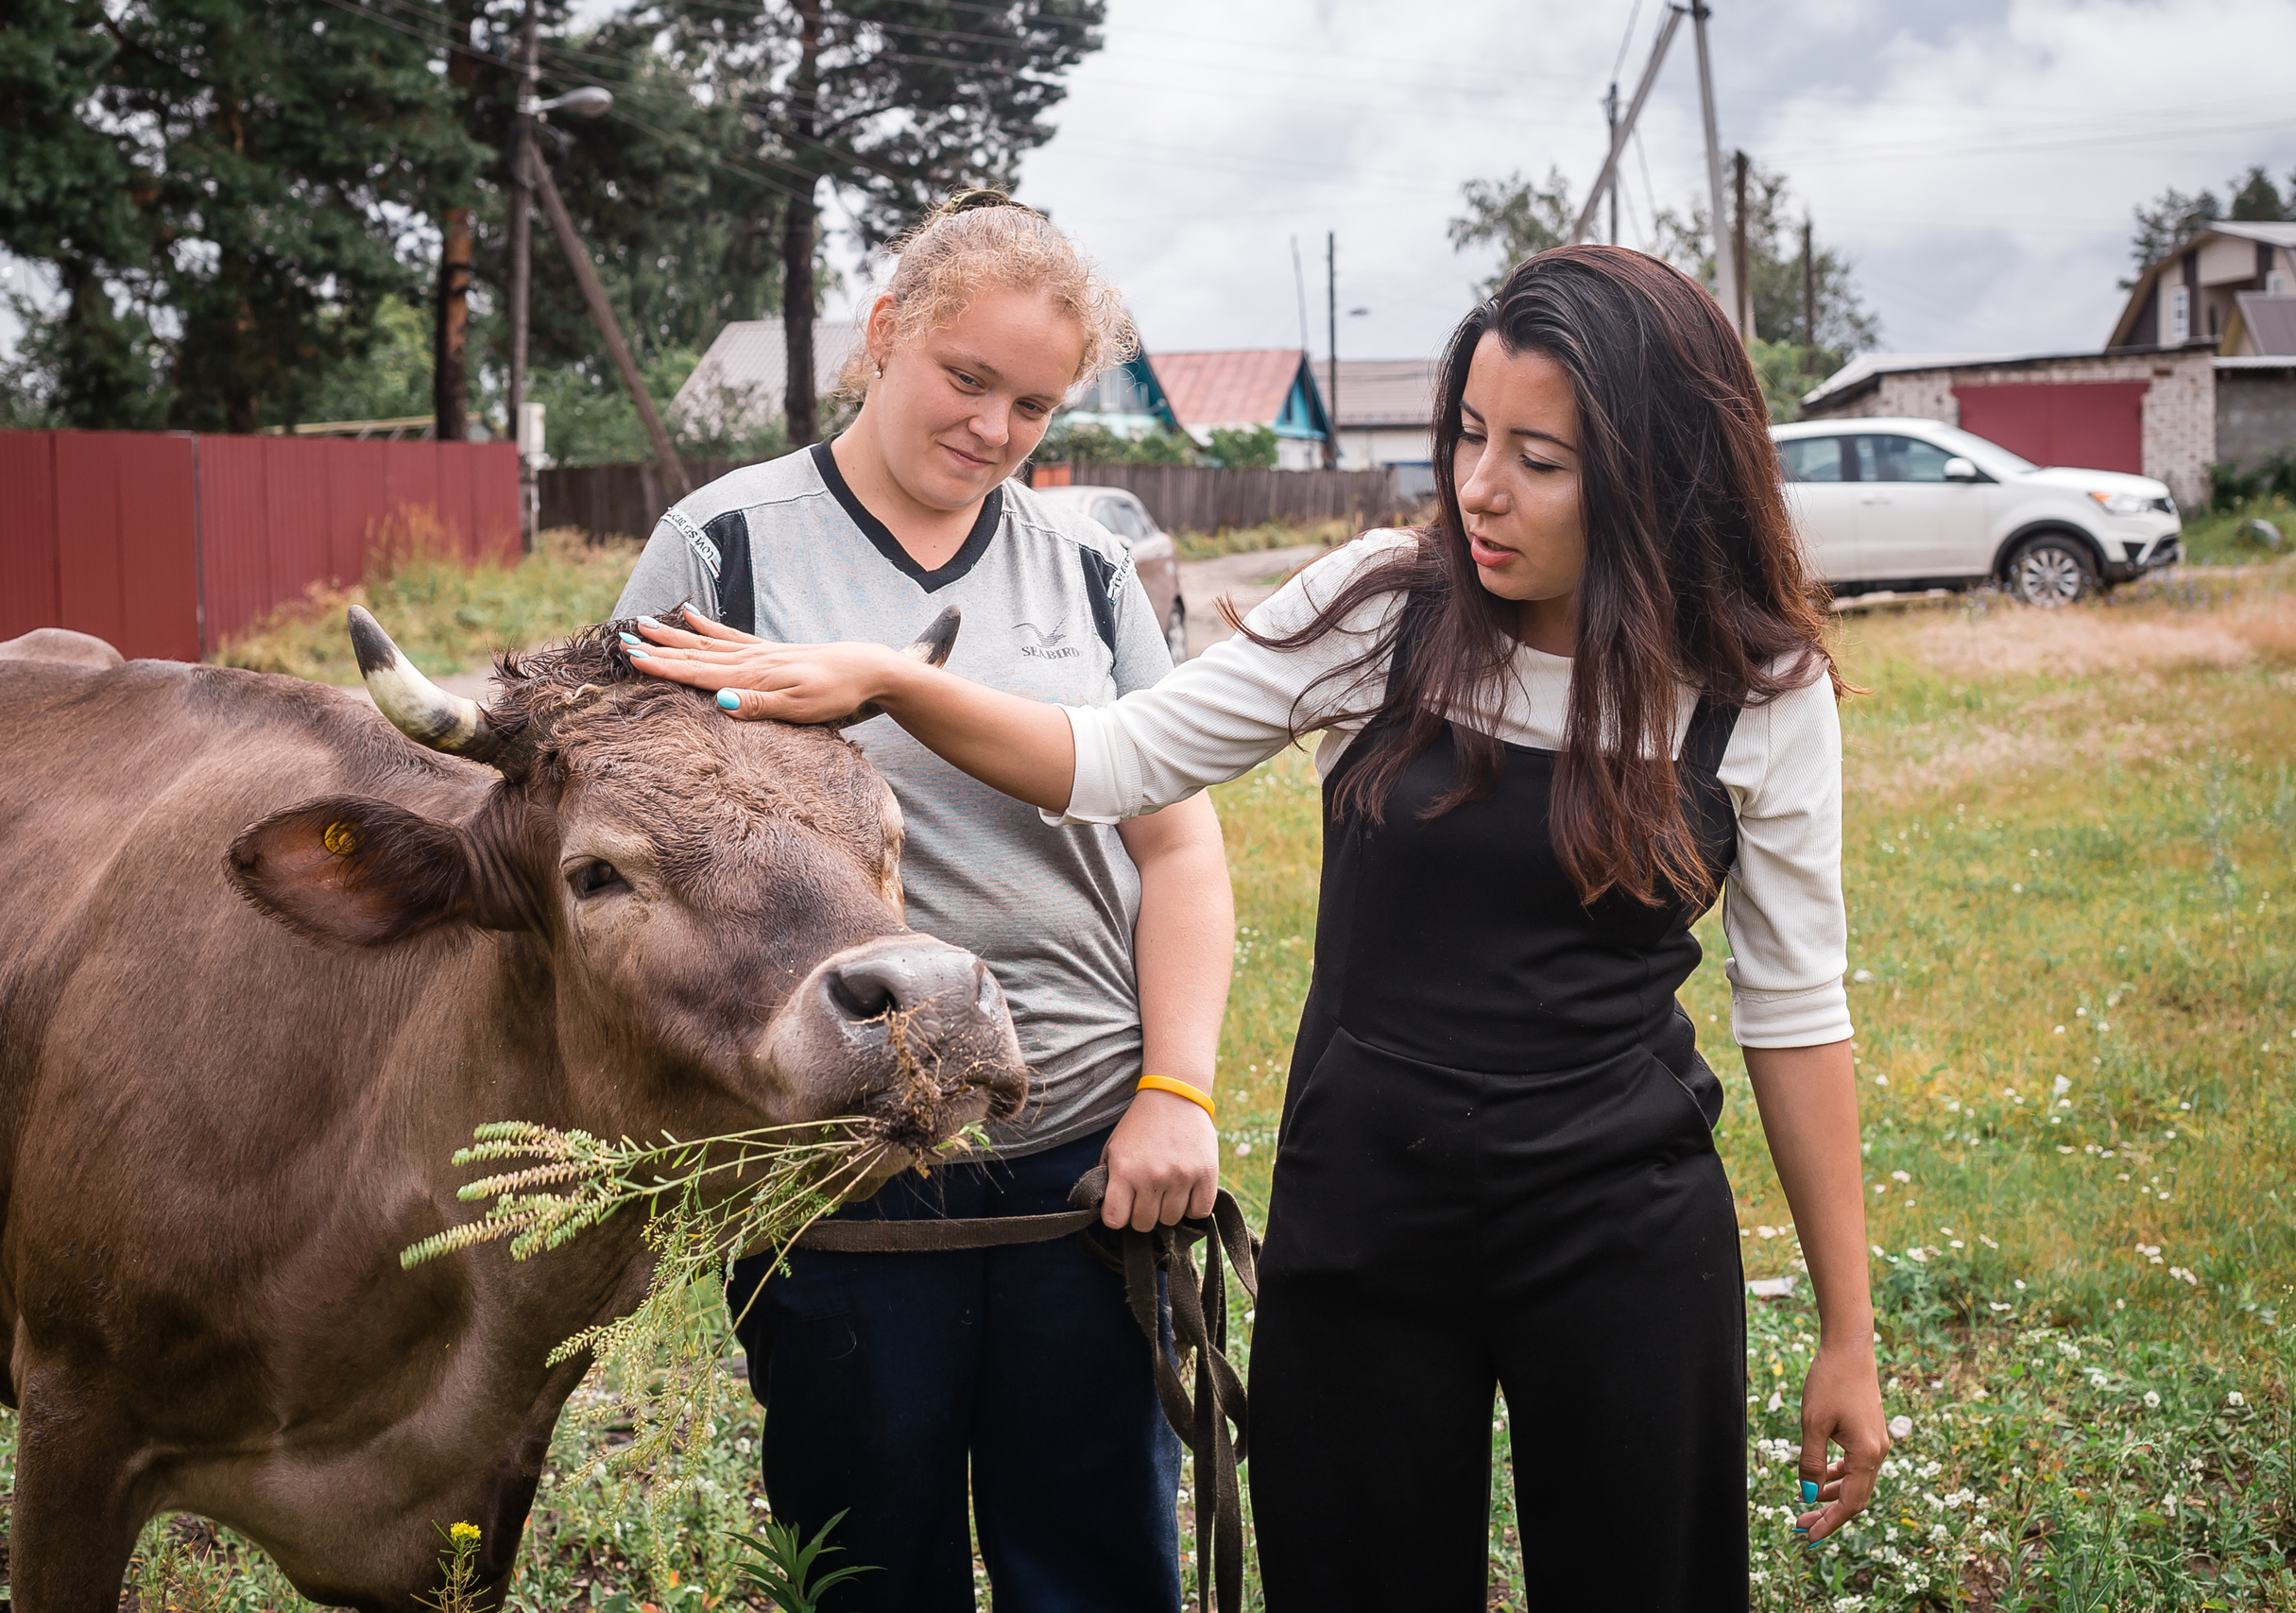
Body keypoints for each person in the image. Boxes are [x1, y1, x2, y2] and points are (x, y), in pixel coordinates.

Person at [625, 244, 1890, 1610]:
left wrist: (1851, 1327)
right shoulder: (1388, 613)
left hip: (1625, 1226)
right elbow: (1117, 760)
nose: (1478, 487)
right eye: (1467, 434)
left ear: (1655, 472)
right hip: (1369, 1218)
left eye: (1541, 457)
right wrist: (889, 680)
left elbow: (1797, 1007)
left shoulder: (1755, 695)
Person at [609, 193, 1233, 1612]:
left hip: (1085, 1164)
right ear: (884, 337)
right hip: (835, 1166)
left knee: (1095, 1567)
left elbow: (1182, 854)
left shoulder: (1083, 566)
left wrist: (1175, 1098)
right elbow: (626, 839)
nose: (996, 429)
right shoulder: (726, 553)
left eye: (1034, 402)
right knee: (869, 1570)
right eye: (968, 379)